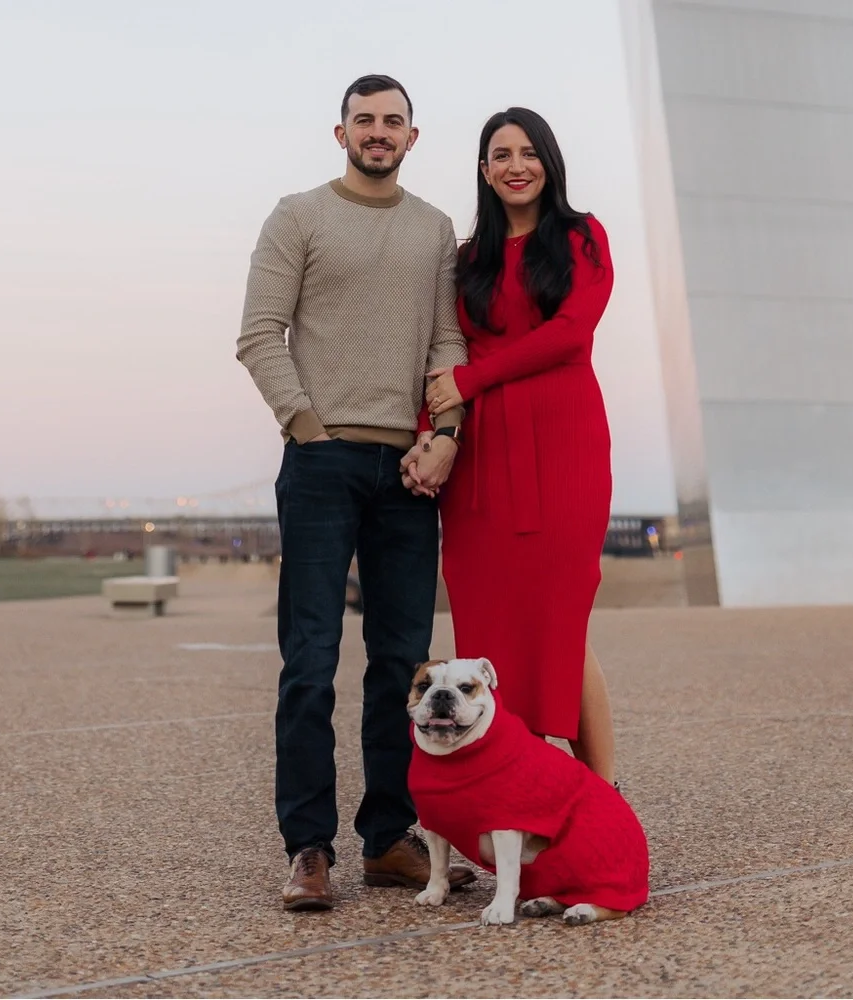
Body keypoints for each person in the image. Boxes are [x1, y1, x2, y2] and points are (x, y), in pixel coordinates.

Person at [237, 74, 474, 912]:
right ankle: (308, 848)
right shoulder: (298, 215)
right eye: (364, 120)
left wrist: (444, 435)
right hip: (322, 465)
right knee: (310, 663)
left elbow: (447, 339)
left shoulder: (435, 229)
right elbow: (259, 333)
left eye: (393, 122)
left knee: (400, 667)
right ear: (340, 133)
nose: (379, 132)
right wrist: (307, 426)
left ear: (414, 137)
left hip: (408, 472)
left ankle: (386, 839)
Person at [404, 107, 618, 784]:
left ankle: (600, 794)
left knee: (561, 623)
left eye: (529, 152)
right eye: (501, 154)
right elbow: (442, 354)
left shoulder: (582, 237)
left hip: (564, 443)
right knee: (490, 627)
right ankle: (514, 798)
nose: (516, 165)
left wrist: (471, 379)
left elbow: (569, 334)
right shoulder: (466, 261)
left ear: (549, 162)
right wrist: (429, 441)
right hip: (481, 462)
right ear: (483, 170)